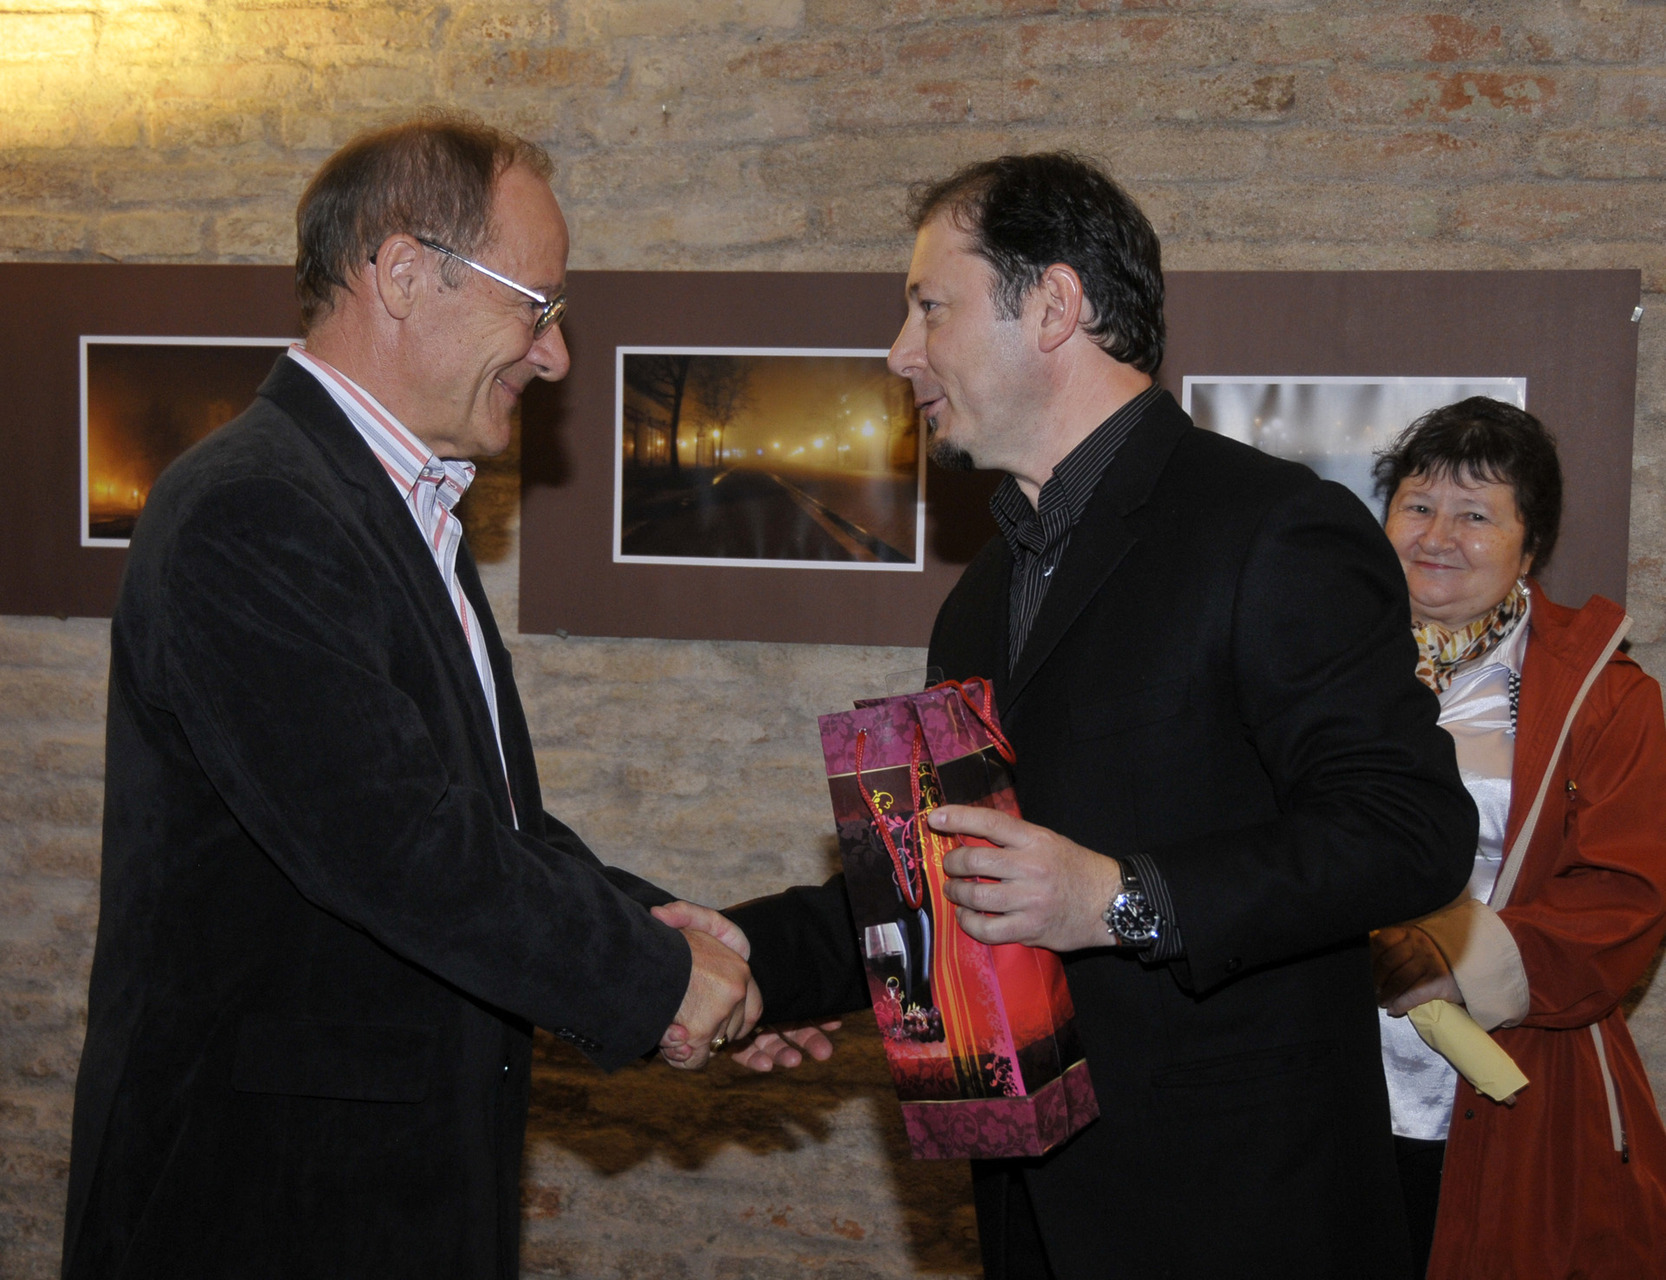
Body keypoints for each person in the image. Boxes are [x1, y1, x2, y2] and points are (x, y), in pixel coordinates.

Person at [722, 152, 1478, 1279]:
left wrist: (1119, 898)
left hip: (1240, 1219)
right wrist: (742, 961)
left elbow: (1409, 831)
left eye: (930, 306)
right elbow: (954, 878)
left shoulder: (1272, 529)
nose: (899, 351)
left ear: (1054, 305)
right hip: (1030, 1211)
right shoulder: (981, 594)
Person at [60, 117, 761, 1280]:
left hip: (383, 1191)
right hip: (263, 1205)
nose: (555, 355)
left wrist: (668, 934)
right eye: (536, 307)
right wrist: (658, 982)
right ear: (399, 273)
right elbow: (397, 844)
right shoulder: (250, 507)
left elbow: (482, 824)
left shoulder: (397, 503)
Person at [1370, 397, 1666, 1278]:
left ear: (1530, 547)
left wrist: (1457, 959)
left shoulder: (1608, 696)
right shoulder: (1311, 660)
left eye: (1475, 515)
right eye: (1419, 506)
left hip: (1510, 1084)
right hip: (1320, 1080)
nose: (1437, 537)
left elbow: (1627, 899)